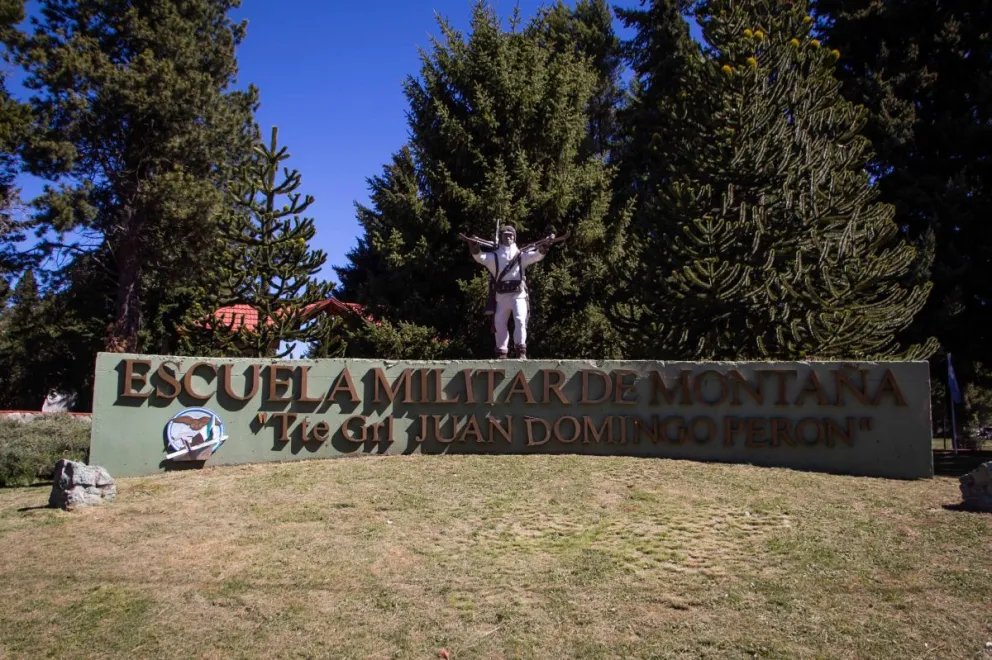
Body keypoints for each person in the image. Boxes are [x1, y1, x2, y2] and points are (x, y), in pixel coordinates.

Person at [467, 224, 549, 359]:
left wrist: (544, 247)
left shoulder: (521, 255)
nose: (508, 237)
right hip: (501, 296)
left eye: (511, 235)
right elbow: (480, 257)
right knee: (499, 324)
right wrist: (474, 246)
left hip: (518, 295)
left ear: (514, 237)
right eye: (505, 235)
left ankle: (521, 351)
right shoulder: (494, 256)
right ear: (501, 237)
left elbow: (535, 256)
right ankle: (501, 352)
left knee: (520, 321)